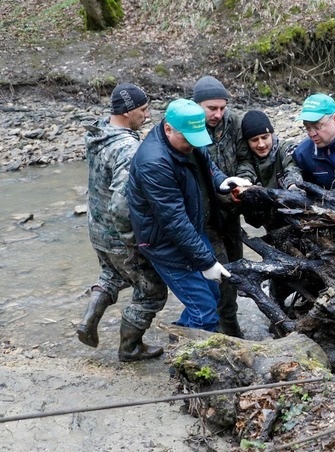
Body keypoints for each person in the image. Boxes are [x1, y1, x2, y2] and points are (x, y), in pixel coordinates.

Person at [127, 98, 252, 333]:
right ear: (168, 128)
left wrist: (222, 180)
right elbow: (174, 221)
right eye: (188, 140)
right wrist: (206, 262)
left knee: (212, 294)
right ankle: (190, 365)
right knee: (204, 313)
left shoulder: (189, 137)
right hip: (164, 243)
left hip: (191, 231)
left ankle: (179, 339)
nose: (193, 145)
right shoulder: (154, 163)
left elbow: (207, 165)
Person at [78, 82, 170, 362]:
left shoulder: (98, 133)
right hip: (119, 234)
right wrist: (134, 241)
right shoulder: (128, 149)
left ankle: (88, 319)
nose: (147, 115)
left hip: (97, 229)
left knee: (113, 274)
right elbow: (122, 203)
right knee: (152, 291)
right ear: (128, 112)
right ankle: (130, 348)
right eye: (143, 110)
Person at [192, 75, 255, 337]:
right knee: (219, 274)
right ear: (197, 106)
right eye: (211, 108)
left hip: (231, 210)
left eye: (222, 107)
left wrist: (245, 182)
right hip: (203, 216)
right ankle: (223, 330)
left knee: (236, 267)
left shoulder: (235, 122)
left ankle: (227, 325)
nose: (218, 114)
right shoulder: (188, 127)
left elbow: (245, 159)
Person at [239, 109, 303, 309]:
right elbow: (245, 172)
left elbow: (293, 169)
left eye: (265, 137)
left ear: (272, 134)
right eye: (254, 140)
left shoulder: (286, 149)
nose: (260, 144)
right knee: (279, 272)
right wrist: (245, 185)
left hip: (298, 221)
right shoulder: (247, 159)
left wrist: (293, 188)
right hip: (271, 226)